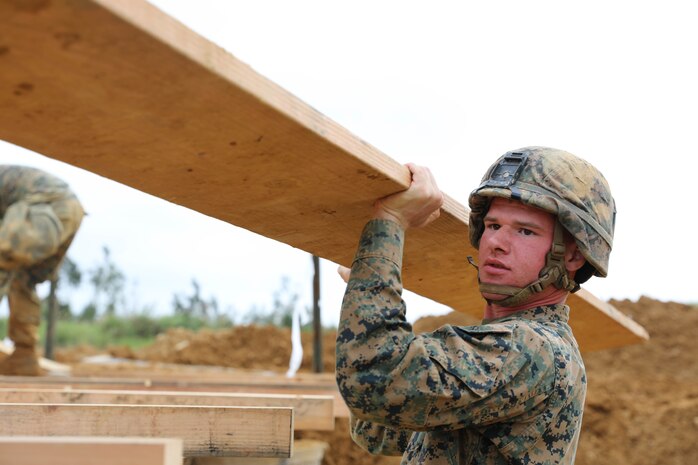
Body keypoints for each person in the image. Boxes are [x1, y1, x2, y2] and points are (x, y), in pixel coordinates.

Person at [335, 146, 616, 464]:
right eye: (494, 226)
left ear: (573, 255)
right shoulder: (506, 348)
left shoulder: (529, 348)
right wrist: (370, 285)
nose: (496, 242)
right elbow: (378, 426)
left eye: (525, 231)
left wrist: (389, 225)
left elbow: (375, 381)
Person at [0, 165, 84, 376]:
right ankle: (24, 357)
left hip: (44, 208)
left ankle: (24, 355)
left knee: (3, 260)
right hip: (70, 211)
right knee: (23, 278)